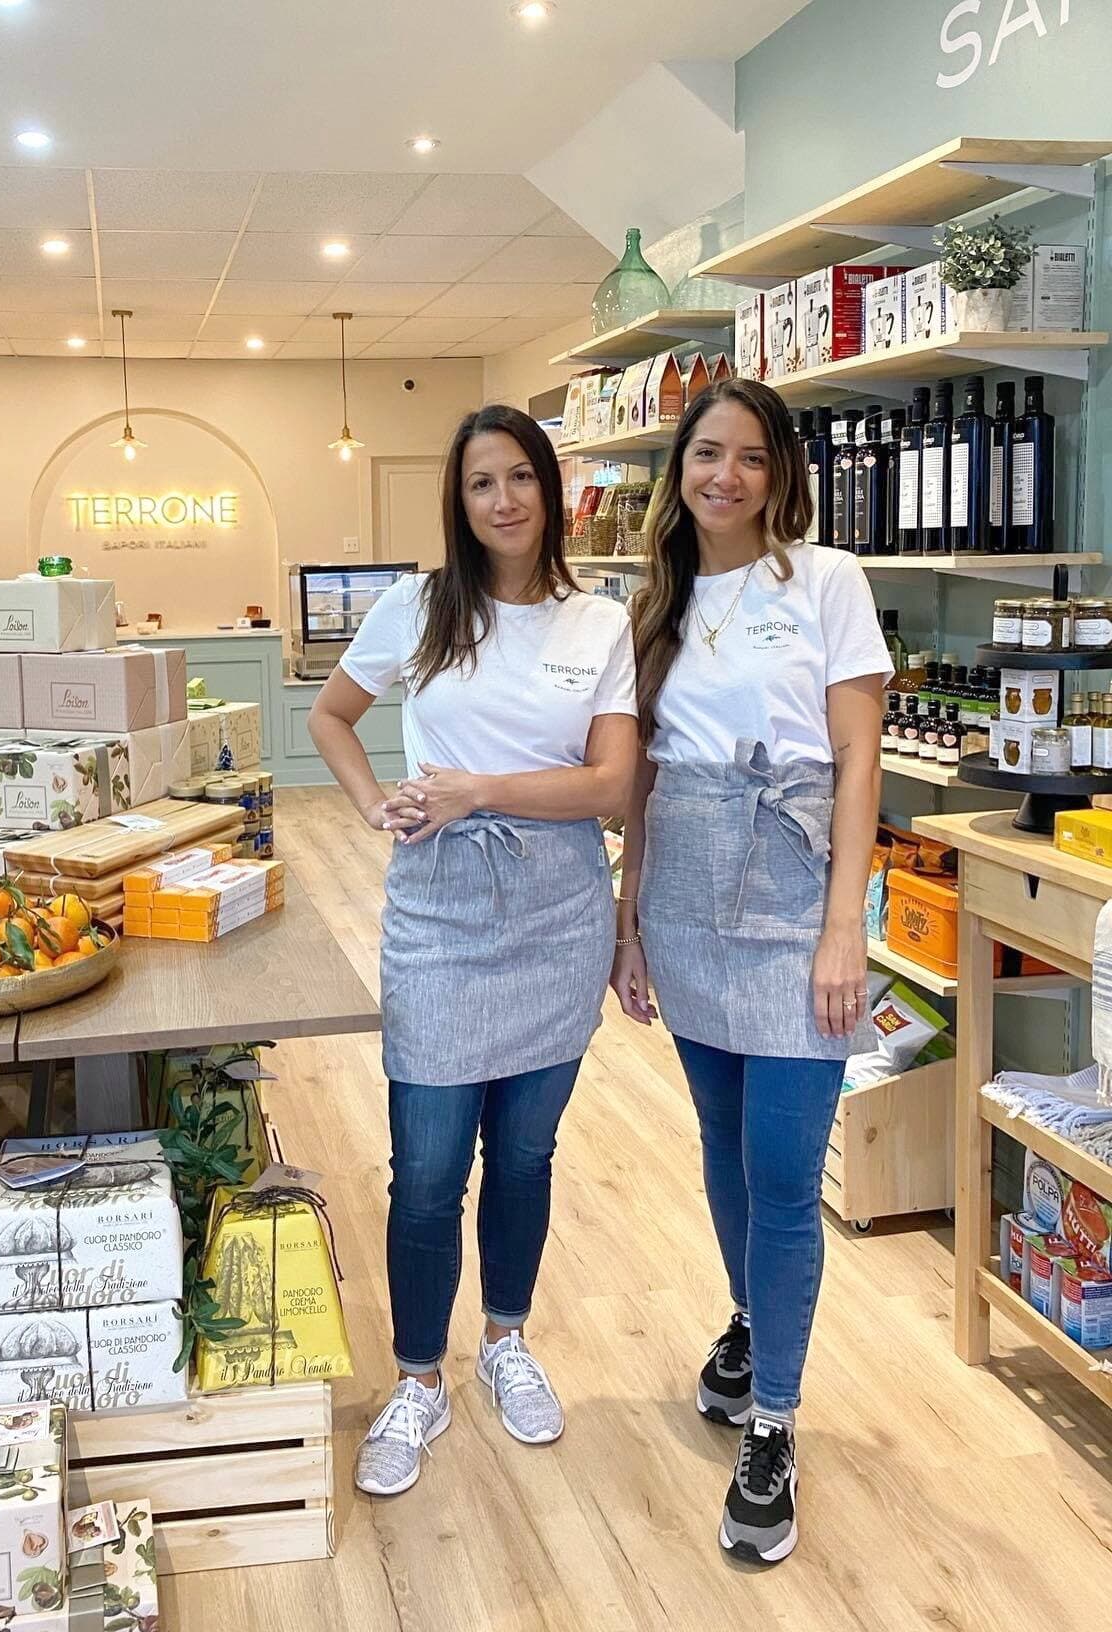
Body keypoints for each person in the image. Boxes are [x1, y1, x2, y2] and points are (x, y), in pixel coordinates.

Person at [309, 403, 638, 1498]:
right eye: (479, 485)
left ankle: (504, 1342)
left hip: (557, 908)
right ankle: (418, 1377)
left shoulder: (599, 623)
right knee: (428, 1171)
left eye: (518, 479)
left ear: (551, 488)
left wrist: (479, 789)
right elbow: (332, 718)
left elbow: (612, 785)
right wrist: (370, 809)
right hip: (441, 916)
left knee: (529, 1155)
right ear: (459, 503)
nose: (502, 501)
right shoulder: (419, 607)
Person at [611, 377, 888, 1566]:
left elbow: (859, 760)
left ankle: (774, 1423)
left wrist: (843, 931)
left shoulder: (826, 582)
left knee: (783, 1173)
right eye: (708, 454)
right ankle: (750, 1325)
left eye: (753, 458)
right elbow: (639, 782)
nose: (727, 476)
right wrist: (628, 925)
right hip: (682, 891)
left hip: (791, 896)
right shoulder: (656, 604)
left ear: (783, 476)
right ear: (681, 469)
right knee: (723, 1149)